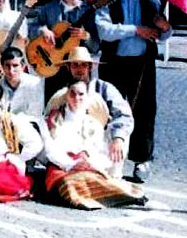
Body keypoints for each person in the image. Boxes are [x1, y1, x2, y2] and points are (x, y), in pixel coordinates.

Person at [95, 0, 169, 183]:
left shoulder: (152, 2)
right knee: (106, 111)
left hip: (142, 64)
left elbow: (163, 35)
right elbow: (105, 31)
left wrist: (165, 28)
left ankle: (141, 160)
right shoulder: (106, 2)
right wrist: (136, 30)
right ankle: (105, 158)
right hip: (114, 63)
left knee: (144, 111)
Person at [40, 81, 147, 209]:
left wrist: (88, 162)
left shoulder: (93, 123)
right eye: (72, 94)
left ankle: (125, 195)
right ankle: (87, 199)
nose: (76, 98)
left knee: (92, 179)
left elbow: (100, 151)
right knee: (69, 183)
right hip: (62, 167)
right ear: (66, 96)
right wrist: (71, 164)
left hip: (87, 166)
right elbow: (50, 149)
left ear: (86, 97)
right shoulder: (53, 120)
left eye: (81, 94)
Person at [56, 46, 134, 179]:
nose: (79, 69)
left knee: (121, 137)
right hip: (74, 144)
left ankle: (114, 175)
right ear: (69, 68)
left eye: (83, 65)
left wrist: (118, 138)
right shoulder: (63, 93)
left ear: (90, 67)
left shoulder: (105, 88)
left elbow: (124, 116)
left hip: (100, 143)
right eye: (75, 65)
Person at [29, 0, 99, 102]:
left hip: (79, 69)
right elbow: (31, 28)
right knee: (53, 106)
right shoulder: (48, 9)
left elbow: (95, 46)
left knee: (80, 106)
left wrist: (86, 36)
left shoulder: (88, 12)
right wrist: (42, 30)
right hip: (53, 67)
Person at [0, 47, 45, 124]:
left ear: (23, 66)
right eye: (7, 65)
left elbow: (35, 114)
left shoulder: (34, 84)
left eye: (15, 65)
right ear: (2, 66)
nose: (11, 71)